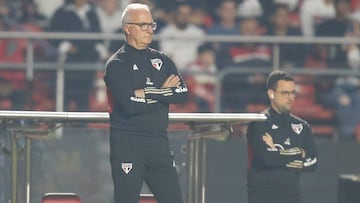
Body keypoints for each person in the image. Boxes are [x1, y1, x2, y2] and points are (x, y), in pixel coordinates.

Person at [103, 3, 188, 203]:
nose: (149, 30)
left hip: (159, 143)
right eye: (143, 25)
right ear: (127, 27)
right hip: (128, 144)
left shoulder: (163, 60)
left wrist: (147, 93)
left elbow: (182, 93)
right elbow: (130, 105)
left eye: (151, 25)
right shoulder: (117, 64)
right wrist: (163, 92)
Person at [246, 70, 318, 203]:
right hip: (263, 196)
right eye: (285, 93)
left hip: (292, 196)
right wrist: (299, 152)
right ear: (271, 94)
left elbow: (313, 161)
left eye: (293, 93)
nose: (291, 98)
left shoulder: (302, 126)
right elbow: (267, 158)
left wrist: (277, 152)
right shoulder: (259, 123)